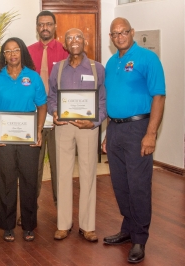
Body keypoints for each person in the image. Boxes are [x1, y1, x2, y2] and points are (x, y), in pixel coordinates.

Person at [102, 18, 165, 263]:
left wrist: (151, 133)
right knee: (120, 184)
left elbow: (159, 97)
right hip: (116, 129)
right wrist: (108, 132)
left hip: (139, 128)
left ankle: (140, 238)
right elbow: (112, 99)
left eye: (124, 32)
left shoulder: (148, 59)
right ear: (111, 36)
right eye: (115, 33)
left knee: (138, 185)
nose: (120, 36)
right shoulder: (111, 62)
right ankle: (128, 229)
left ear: (132, 32)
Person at [0, 37, 47, 242]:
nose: (12, 54)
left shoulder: (33, 77)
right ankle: (8, 225)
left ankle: (28, 225)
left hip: (28, 139)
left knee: (29, 181)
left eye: (16, 50)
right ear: (4, 55)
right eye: (8, 51)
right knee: (5, 182)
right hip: (4, 139)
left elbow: (42, 106)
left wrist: (38, 131)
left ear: (22, 53)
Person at [48, 28, 106, 242]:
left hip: (88, 128)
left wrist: (94, 121)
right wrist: (54, 111)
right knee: (63, 174)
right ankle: (63, 224)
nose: (74, 41)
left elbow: (102, 99)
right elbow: (51, 95)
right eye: (70, 37)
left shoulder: (97, 68)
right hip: (64, 126)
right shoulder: (58, 69)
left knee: (88, 174)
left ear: (85, 42)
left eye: (78, 37)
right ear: (65, 44)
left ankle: (87, 226)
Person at [25, 11, 69, 225]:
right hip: (32, 118)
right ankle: (29, 212)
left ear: (54, 26)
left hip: (59, 117)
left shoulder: (65, 50)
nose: (45, 27)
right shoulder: (27, 52)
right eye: (41, 24)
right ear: (36, 26)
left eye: (48, 24)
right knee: (32, 168)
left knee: (60, 167)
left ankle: (63, 213)